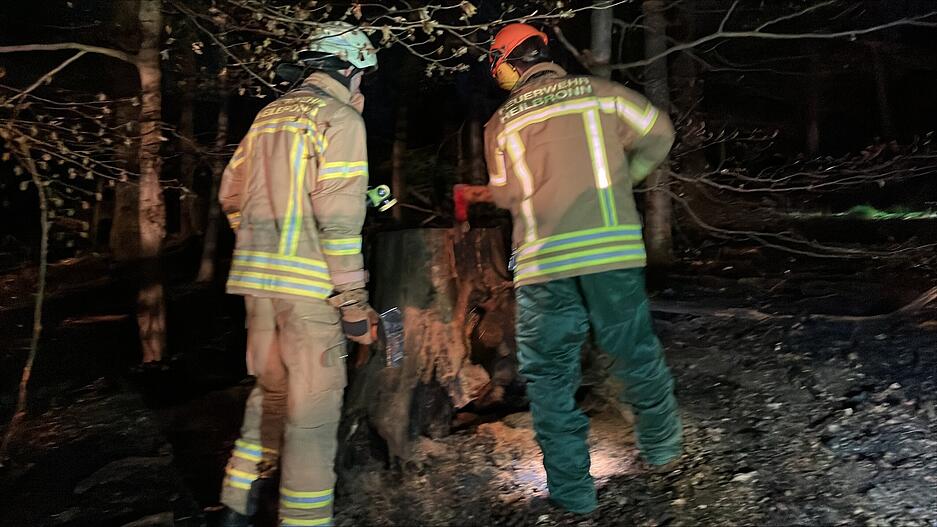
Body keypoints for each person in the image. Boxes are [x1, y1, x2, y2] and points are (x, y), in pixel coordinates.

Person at [481, 23, 683, 514]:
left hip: (543, 261)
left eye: (498, 65)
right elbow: (661, 132)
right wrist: (624, 178)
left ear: (509, 63)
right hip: (610, 252)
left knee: (549, 376)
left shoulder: (500, 122)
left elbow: (505, 194)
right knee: (633, 350)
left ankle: (574, 493)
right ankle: (663, 449)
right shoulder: (603, 94)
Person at [216, 21, 379, 527]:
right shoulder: (339, 120)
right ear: (349, 69)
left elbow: (230, 195)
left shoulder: (269, 116)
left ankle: (234, 506)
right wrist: (354, 303)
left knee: (270, 393)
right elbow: (338, 221)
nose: (361, 89)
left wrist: (258, 247)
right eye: (362, 78)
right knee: (311, 418)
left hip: (256, 286)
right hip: (310, 292)